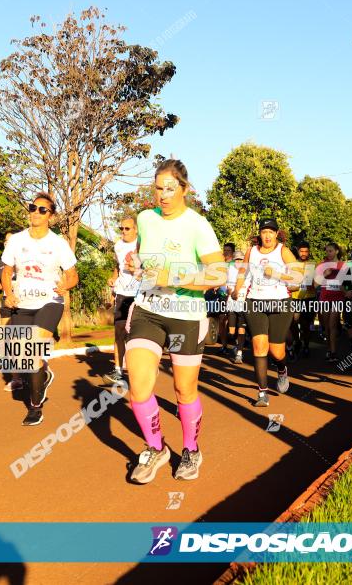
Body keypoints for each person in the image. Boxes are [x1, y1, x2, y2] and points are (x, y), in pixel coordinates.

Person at [124, 159, 225, 483]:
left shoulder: (198, 225)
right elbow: (143, 254)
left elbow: (218, 273)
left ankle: (191, 450)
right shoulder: (144, 219)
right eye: (158, 188)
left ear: (185, 189)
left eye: (170, 188)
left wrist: (176, 275)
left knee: (183, 389)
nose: (163, 195)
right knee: (138, 385)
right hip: (148, 309)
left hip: (186, 315)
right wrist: (134, 261)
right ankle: (156, 448)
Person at [1, 193, 79, 426]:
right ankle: (43, 374)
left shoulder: (58, 243)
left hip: (50, 301)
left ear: (51, 216)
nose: (35, 212)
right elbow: (6, 270)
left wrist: (66, 285)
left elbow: (73, 276)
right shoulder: (16, 240)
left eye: (42, 210)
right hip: (22, 303)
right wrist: (9, 293)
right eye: (33, 208)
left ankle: (35, 407)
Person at [234, 218, 298, 407]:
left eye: (271, 232)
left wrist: (276, 273)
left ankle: (282, 369)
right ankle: (262, 393)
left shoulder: (283, 251)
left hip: (280, 303)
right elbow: (243, 273)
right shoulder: (251, 252)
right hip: (255, 301)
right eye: (264, 232)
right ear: (259, 234)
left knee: (276, 351)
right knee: (259, 346)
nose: (267, 235)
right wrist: (238, 289)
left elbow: (298, 276)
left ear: (277, 234)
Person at [103, 216, 139, 387]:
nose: (123, 232)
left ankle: (138, 371)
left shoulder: (142, 244)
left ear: (135, 229)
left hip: (140, 294)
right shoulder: (118, 245)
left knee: (136, 335)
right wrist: (113, 278)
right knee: (119, 332)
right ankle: (118, 371)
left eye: (127, 228)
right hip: (123, 294)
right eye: (121, 228)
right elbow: (118, 267)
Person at [0, 232, 23, 393]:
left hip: (23, 304)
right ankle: (16, 379)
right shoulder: (2, 263)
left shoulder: (24, 258)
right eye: (5, 241)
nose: (7, 243)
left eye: (11, 241)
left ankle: (37, 370)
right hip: (6, 303)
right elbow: (3, 281)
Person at [317, 242, 346, 363]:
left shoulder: (343, 265)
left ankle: (333, 352)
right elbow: (315, 284)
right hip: (325, 298)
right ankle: (329, 349)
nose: (328, 253)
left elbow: (347, 283)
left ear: (337, 251)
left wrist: (345, 291)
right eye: (327, 251)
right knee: (327, 327)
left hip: (338, 298)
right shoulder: (322, 265)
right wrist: (325, 274)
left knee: (332, 324)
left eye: (331, 251)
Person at [289, 241, 316, 360]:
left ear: (309, 252)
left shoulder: (313, 265)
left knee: (305, 324)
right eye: (301, 251)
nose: (304, 253)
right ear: (298, 251)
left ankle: (306, 345)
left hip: (309, 298)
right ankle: (297, 341)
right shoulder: (292, 264)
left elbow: (315, 284)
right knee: (293, 322)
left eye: (306, 251)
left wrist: (312, 283)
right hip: (295, 298)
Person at [225, 250, 248, 363]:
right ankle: (237, 345)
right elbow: (224, 284)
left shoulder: (248, 272)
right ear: (233, 261)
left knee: (241, 330)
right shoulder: (229, 270)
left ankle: (239, 353)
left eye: (240, 260)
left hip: (243, 303)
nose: (238, 262)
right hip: (231, 304)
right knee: (232, 332)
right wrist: (226, 290)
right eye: (236, 260)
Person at [216, 243, 236, 355]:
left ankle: (234, 345)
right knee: (222, 319)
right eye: (225, 250)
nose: (226, 252)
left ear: (233, 252)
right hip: (222, 295)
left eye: (228, 250)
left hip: (233, 296)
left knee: (233, 321)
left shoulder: (236, 264)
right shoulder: (221, 264)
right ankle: (223, 346)